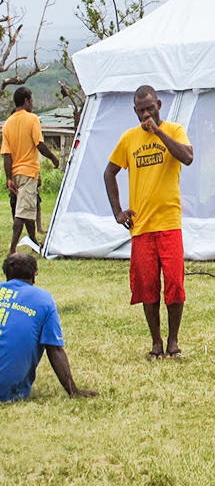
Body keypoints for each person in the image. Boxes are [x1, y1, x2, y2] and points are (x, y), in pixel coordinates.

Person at [103, 85, 193, 360]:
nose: (145, 115)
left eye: (150, 109)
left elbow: (188, 157)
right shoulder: (129, 138)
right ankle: (156, 342)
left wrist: (158, 133)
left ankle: (173, 342)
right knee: (148, 287)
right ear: (135, 111)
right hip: (141, 227)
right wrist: (118, 212)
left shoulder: (174, 130)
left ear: (159, 105)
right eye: (140, 110)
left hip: (169, 223)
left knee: (174, 285)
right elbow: (109, 173)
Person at [0, 253, 97, 401]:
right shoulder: (43, 299)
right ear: (34, 276)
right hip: (8, 393)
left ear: (6, 274)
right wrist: (73, 391)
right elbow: (54, 349)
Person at [1, 86, 60, 254]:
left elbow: (6, 155)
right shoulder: (32, 119)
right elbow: (39, 144)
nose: (32, 103)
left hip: (15, 174)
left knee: (27, 210)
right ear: (26, 101)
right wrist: (53, 158)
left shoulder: (8, 123)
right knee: (21, 214)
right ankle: (12, 250)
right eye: (31, 100)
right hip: (28, 173)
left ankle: (34, 242)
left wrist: (9, 178)